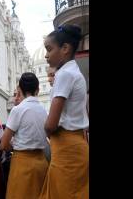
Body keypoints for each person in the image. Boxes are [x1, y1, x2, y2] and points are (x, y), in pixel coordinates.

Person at [40, 25, 89, 199]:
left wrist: (46, 129)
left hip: (67, 148)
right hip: (74, 146)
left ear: (65, 49)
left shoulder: (64, 74)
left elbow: (51, 123)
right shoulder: (74, 73)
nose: (46, 55)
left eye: (49, 49)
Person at [1, 72, 49, 199]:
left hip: (22, 163)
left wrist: (11, 148)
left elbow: (4, 143)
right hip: (42, 163)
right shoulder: (44, 111)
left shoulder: (18, 109)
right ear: (37, 90)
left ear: (20, 89)